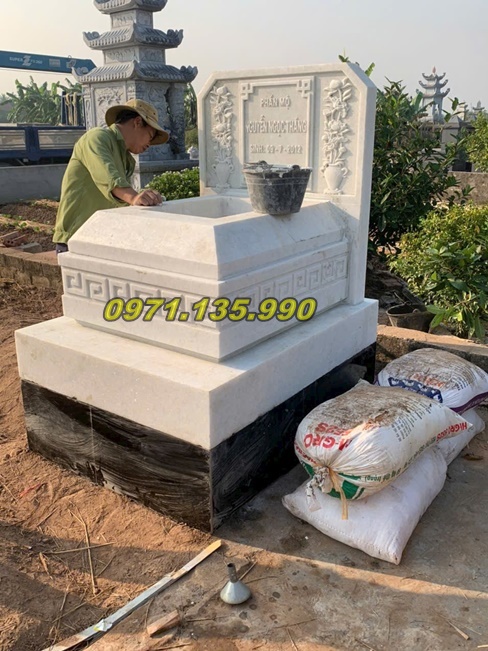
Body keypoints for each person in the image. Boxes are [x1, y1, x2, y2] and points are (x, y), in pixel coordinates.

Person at [53, 98, 169, 253]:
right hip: (75, 236)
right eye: (150, 135)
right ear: (137, 122)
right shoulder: (97, 138)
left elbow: (118, 199)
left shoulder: (126, 158)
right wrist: (134, 198)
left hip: (99, 236)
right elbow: (108, 178)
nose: (150, 143)